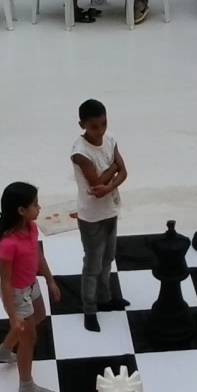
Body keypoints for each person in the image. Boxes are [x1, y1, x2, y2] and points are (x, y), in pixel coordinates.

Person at [0, 182, 60, 392]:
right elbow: (7, 282)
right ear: (21, 210)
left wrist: (49, 280)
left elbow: (37, 255)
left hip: (31, 284)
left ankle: (4, 349)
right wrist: (13, 315)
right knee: (29, 338)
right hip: (16, 292)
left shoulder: (31, 228)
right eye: (35, 205)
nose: (39, 208)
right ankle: (26, 385)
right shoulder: (8, 244)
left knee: (38, 316)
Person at [70, 99, 129, 332]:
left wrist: (110, 179)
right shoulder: (80, 153)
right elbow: (96, 185)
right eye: (94, 126)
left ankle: (106, 298)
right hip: (91, 216)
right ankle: (89, 308)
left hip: (111, 209)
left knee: (108, 259)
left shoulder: (111, 139)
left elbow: (123, 171)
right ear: (82, 125)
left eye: (103, 124)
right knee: (93, 265)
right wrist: (113, 171)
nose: (101, 130)